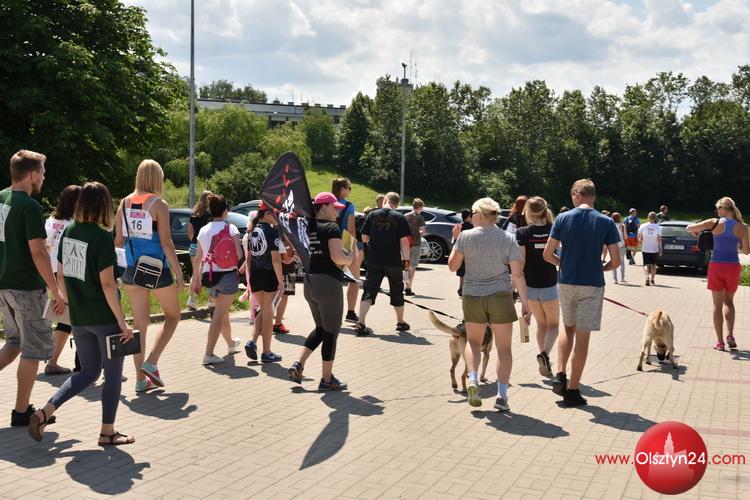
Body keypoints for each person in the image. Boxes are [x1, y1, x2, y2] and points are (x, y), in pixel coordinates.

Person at [27, 182, 135, 445]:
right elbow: (108, 285)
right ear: (104, 206)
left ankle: (45, 412)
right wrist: (122, 322)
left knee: (87, 372)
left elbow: (61, 275)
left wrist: (66, 300)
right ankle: (107, 432)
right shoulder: (102, 238)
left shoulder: (69, 231)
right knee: (112, 376)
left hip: (78, 318)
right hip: (104, 318)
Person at [0, 150, 66, 427]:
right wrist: (56, 290)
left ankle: (22, 409)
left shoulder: (2, 198)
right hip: (26, 288)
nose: (44, 178)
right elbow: (38, 253)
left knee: (14, 342)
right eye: (43, 173)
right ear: (33, 175)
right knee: (32, 350)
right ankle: (21, 412)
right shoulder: (29, 207)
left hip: (5, 285)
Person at [543, 179, 620, 407]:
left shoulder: (562, 218)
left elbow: (547, 254)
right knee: (583, 336)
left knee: (568, 328)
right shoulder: (606, 222)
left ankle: (560, 373)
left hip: (567, 282)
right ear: (593, 196)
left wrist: (564, 264)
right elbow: (616, 261)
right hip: (592, 284)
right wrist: (601, 268)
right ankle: (573, 390)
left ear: (576, 194)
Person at [448, 197, 530, 411]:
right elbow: (517, 274)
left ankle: (473, 379)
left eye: (473, 213)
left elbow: (452, 266)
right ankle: (501, 396)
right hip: (501, 296)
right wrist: (525, 303)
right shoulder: (508, 238)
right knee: (504, 348)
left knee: (474, 342)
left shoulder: (465, 236)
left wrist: (455, 240)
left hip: (473, 295)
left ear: (480, 215)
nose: (471, 217)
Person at [115, 159, 185, 393]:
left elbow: (118, 241)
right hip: (156, 269)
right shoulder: (159, 204)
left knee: (139, 326)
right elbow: (166, 242)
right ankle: (152, 361)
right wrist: (179, 274)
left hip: (131, 268)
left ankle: (139, 380)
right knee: (173, 316)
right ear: (157, 179)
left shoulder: (123, 203)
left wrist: (117, 273)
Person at [288, 192, 355, 390]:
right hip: (328, 285)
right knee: (331, 332)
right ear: (324, 207)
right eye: (335, 208)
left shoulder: (306, 227)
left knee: (321, 329)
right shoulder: (331, 228)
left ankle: (298, 364)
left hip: (310, 283)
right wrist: (350, 257)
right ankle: (326, 379)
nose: (337, 213)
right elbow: (337, 257)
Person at [687, 197, 750, 350]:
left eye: (717, 209)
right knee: (729, 302)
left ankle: (720, 342)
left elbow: (689, 228)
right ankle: (730, 335)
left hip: (716, 266)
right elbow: (747, 251)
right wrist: (737, 243)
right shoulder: (742, 227)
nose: (716, 212)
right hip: (733, 267)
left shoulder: (713, 223)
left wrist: (696, 231)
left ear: (723, 208)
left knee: (717, 304)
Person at [191, 194, 243, 364]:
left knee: (222, 313)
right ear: (225, 211)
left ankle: (230, 344)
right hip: (227, 276)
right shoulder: (231, 229)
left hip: (210, 277)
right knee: (219, 315)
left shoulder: (203, 230)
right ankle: (208, 354)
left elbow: (198, 258)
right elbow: (239, 254)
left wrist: (196, 280)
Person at [355, 192, 411, 336]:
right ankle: (400, 322)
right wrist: (406, 263)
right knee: (397, 291)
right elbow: (404, 243)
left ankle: (361, 322)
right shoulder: (400, 217)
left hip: (374, 260)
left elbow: (364, 237)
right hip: (393, 261)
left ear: (385, 200)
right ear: (396, 204)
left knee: (369, 290)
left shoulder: (372, 215)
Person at [516, 197, 558, 378]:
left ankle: (544, 358)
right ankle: (545, 355)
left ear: (527, 211)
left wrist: (518, 291)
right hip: (550, 284)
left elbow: (521, 263)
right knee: (553, 324)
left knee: (541, 324)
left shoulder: (522, 232)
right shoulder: (554, 229)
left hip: (530, 287)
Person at [44, 185, 82, 375]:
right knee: (71, 319)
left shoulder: (51, 220)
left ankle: (52, 360)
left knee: (65, 318)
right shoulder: (74, 224)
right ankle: (54, 362)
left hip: (49, 273)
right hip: (66, 275)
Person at [243, 202, 284, 363]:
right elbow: (276, 260)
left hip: (255, 274)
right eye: (275, 214)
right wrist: (281, 281)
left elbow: (248, 259)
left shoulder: (252, 231)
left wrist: (249, 280)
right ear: (267, 214)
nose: (277, 217)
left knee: (263, 311)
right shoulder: (272, 232)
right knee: (268, 315)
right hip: (268, 274)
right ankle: (266, 352)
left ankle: (252, 342)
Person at [332, 178, 362, 323]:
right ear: (342, 189)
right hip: (345, 240)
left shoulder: (328, 203)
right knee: (354, 279)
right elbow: (351, 229)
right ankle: (350, 312)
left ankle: (331, 312)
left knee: (333, 279)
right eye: (349, 188)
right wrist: (352, 249)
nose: (350, 191)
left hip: (329, 240)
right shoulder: (349, 206)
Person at [187, 190, 212, 310]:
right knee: (208, 273)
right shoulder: (209, 215)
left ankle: (191, 299)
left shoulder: (194, 214)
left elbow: (189, 232)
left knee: (195, 273)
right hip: (205, 246)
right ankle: (211, 300)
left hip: (193, 246)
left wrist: (194, 241)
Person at [273, 235, 297, 334]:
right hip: (276, 267)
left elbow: (296, 245)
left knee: (284, 296)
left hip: (289, 267)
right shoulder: (275, 231)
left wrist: (294, 254)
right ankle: (265, 324)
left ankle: (277, 324)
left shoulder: (288, 230)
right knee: (273, 296)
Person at [403, 198, 426, 296]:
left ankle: (405, 278)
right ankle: (408, 287)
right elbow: (423, 232)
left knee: (406, 263)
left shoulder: (405, 216)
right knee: (413, 266)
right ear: (419, 207)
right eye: (422, 208)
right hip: (416, 243)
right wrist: (419, 232)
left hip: (405, 243)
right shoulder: (420, 218)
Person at [638, 212, 662, 286]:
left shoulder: (643, 226)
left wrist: (640, 240)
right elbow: (659, 239)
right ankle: (652, 279)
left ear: (648, 217)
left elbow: (638, 237)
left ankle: (647, 277)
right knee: (653, 264)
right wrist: (661, 249)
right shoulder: (658, 227)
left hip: (645, 248)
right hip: (654, 249)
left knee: (646, 264)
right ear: (655, 218)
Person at [454, 208, 473, 297]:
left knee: (462, 272)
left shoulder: (460, 226)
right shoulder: (472, 227)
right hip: (469, 251)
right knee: (468, 271)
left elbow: (455, 239)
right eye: (471, 216)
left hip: (461, 251)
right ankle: (465, 289)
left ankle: (461, 287)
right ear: (468, 217)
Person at [610, 212, 627, 283]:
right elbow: (625, 237)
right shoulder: (622, 225)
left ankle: (615, 279)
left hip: (612, 245)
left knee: (613, 262)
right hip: (621, 245)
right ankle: (622, 277)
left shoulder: (610, 225)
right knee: (622, 262)